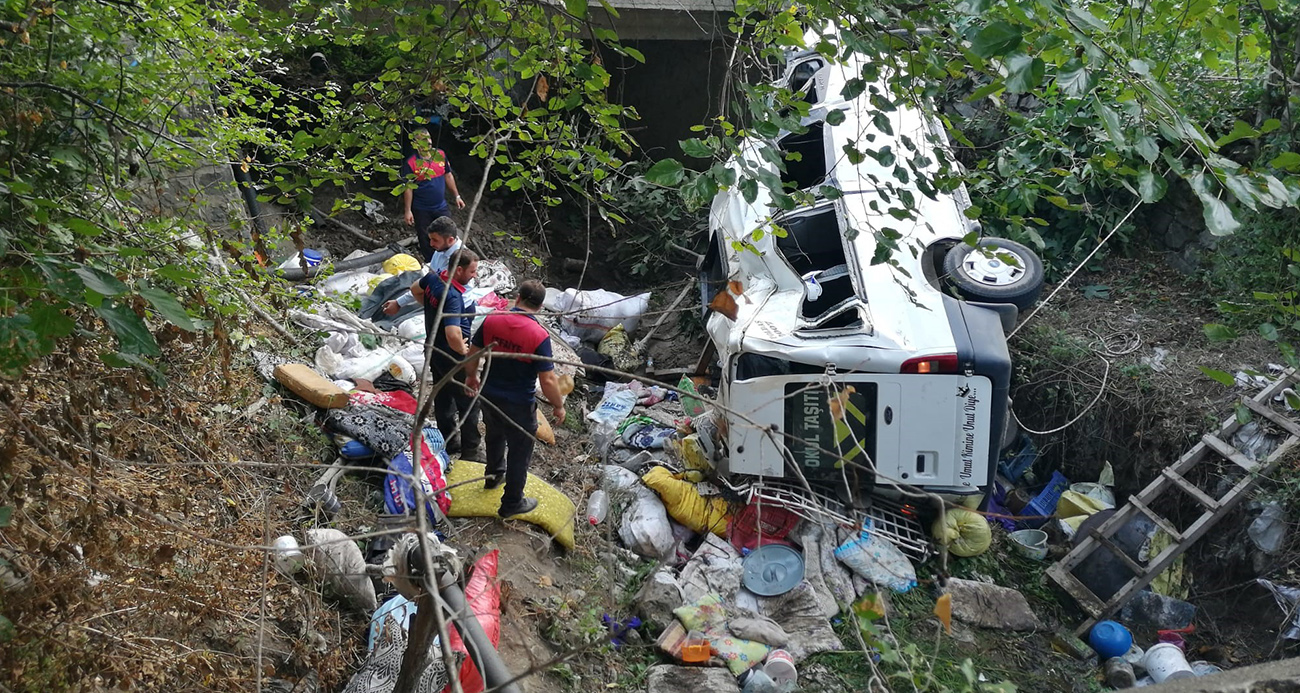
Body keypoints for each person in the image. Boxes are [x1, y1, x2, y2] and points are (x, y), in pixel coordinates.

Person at [466, 279, 566, 517]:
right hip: (519, 403)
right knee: (520, 452)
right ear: (540, 307)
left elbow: (473, 353)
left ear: (517, 298)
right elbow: (548, 380)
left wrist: (471, 377)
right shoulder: (539, 335)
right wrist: (558, 406)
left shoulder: (493, 319)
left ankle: (493, 476)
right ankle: (512, 502)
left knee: (494, 434)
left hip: (489, 394)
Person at [383, 249, 482, 460]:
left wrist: (431, 308)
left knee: (444, 396)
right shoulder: (453, 295)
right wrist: (463, 350)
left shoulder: (435, 277)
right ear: (459, 270)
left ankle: (449, 441)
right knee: (470, 403)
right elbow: (453, 333)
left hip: (433, 349)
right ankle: (471, 452)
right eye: (472, 271)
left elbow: (415, 289)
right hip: (453, 357)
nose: (475, 275)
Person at [401, 127, 465, 263]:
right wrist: (408, 211)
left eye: (429, 138)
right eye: (423, 139)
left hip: (441, 206)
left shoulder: (440, 155)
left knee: (449, 231)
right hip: (421, 208)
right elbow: (408, 188)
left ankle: (452, 260)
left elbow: (448, 175)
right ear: (416, 143)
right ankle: (431, 264)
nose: (428, 141)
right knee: (425, 238)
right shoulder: (411, 163)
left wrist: (457, 196)